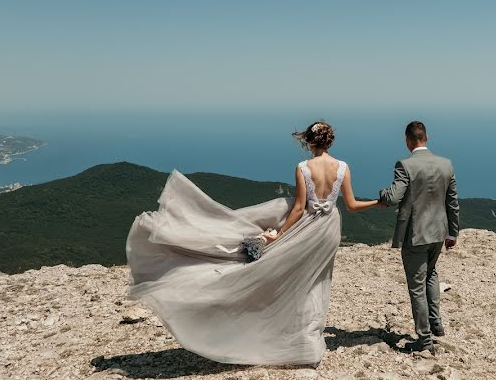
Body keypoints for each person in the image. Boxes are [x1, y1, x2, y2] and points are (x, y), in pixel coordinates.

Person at [125, 120, 380, 366]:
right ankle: (309, 343)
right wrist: (379, 203)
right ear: (329, 141)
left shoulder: (303, 168)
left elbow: (299, 208)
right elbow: (352, 205)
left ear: (310, 142)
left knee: (297, 280)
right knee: (319, 281)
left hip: (309, 227)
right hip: (330, 228)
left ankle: (299, 342)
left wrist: (279, 236)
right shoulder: (343, 167)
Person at [378, 120, 459, 354]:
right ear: (427, 138)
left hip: (416, 234)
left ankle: (424, 340)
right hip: (439, 232)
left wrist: (382, 193)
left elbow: (393, 197)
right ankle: (436, 324)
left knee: (416, 287)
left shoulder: (405, 165)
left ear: (407, 140)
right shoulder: (446, 164)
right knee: (431, 274)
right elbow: (452, 202)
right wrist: (452, 232)